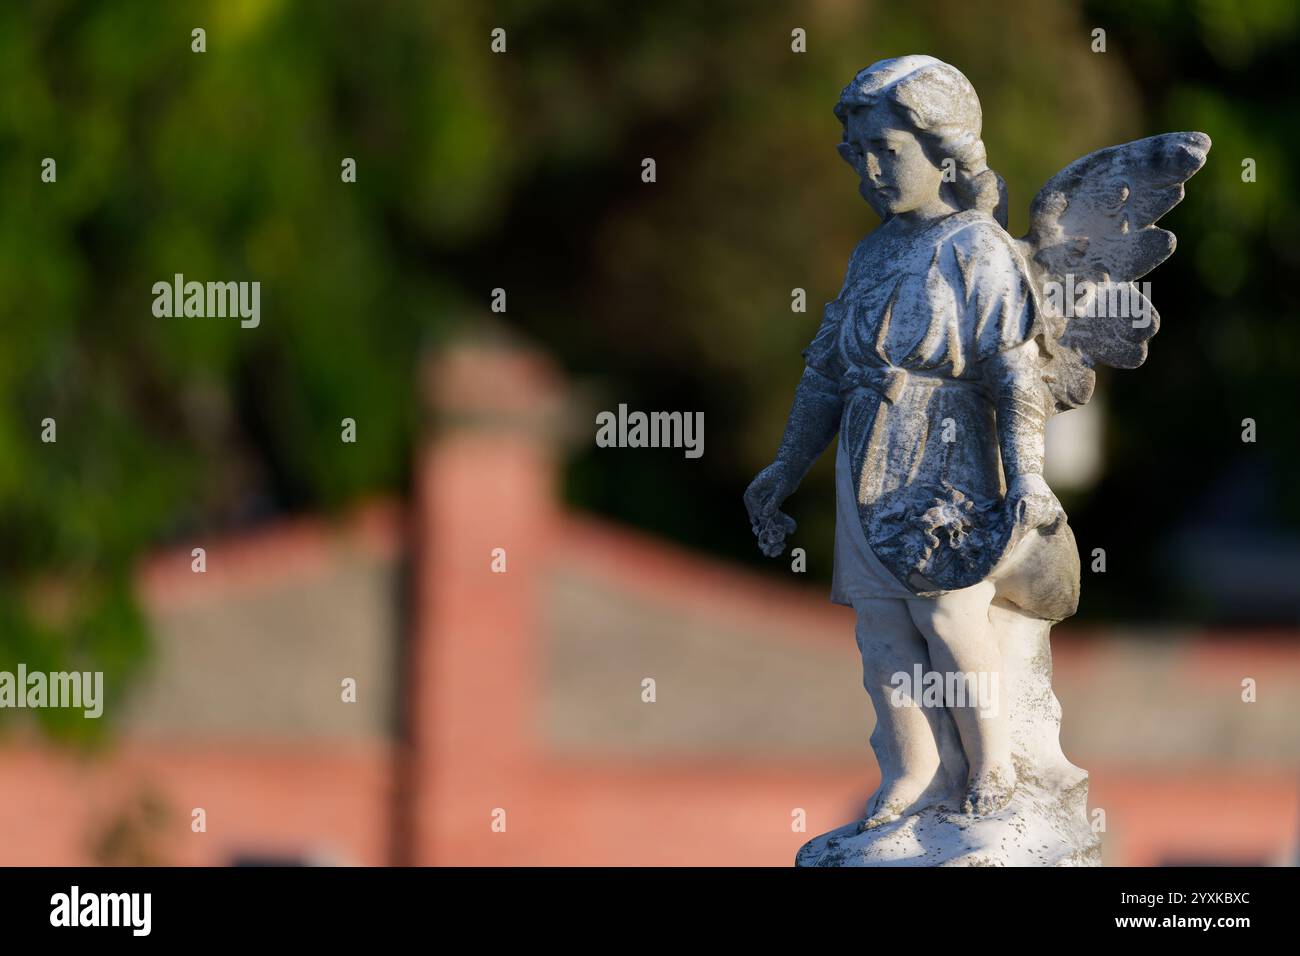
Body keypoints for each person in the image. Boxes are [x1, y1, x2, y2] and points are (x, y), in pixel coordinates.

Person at [744, 56, 1065, 827]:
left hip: (944, 448)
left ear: (946, 148)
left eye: (887, 148)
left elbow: (1016, 373)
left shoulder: (977, 248)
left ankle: (992, 762)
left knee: (950, 615)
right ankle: (912, 769)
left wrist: (1027, 476)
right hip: (866, 452)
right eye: (858, 153)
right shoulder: (873, 253)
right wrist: (786, 467)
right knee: (880, 623)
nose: (870, 169)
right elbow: (826, 373)